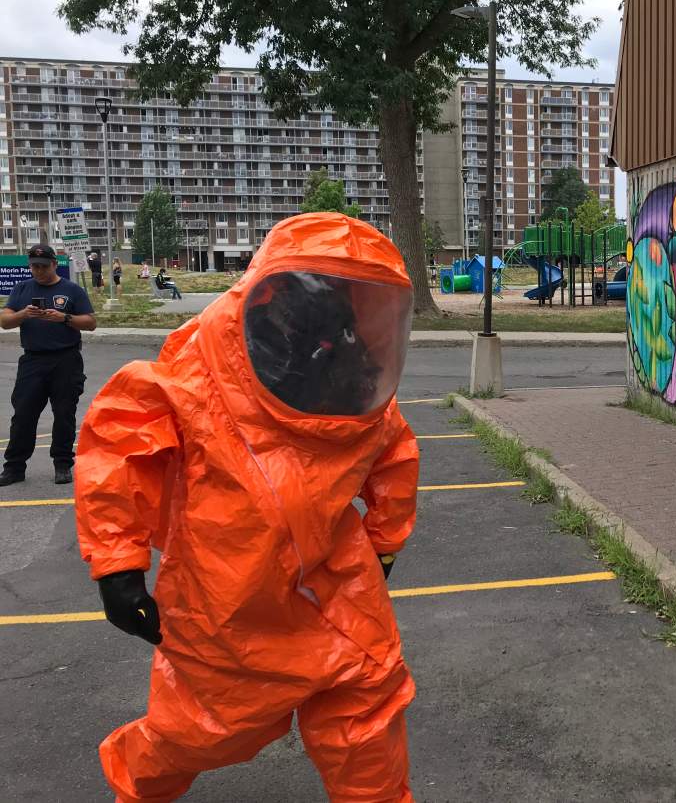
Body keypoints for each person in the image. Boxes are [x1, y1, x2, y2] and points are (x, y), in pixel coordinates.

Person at [75, 212, 419, 802]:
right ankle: (138, 787)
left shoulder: (349, 373)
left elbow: (392, 452)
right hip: (229, 593)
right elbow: (122, 441)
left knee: (368, 718)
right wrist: (116, 564)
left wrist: (384, 541)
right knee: (202, 731)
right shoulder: (203, 369)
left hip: (339, 588)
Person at [0, 244, 97, 485]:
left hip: (66, 359)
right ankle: (14, 467)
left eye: (44, 266)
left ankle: (62, 464)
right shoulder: (22, 289)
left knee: (64, 413)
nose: (39, 271)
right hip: (33, 360)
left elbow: (91, 322)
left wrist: (64, 318)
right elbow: (4, 320)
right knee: (23, 414)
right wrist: (23, 314)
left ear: (55, 264)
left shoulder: (71, 290)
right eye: (34, 266)